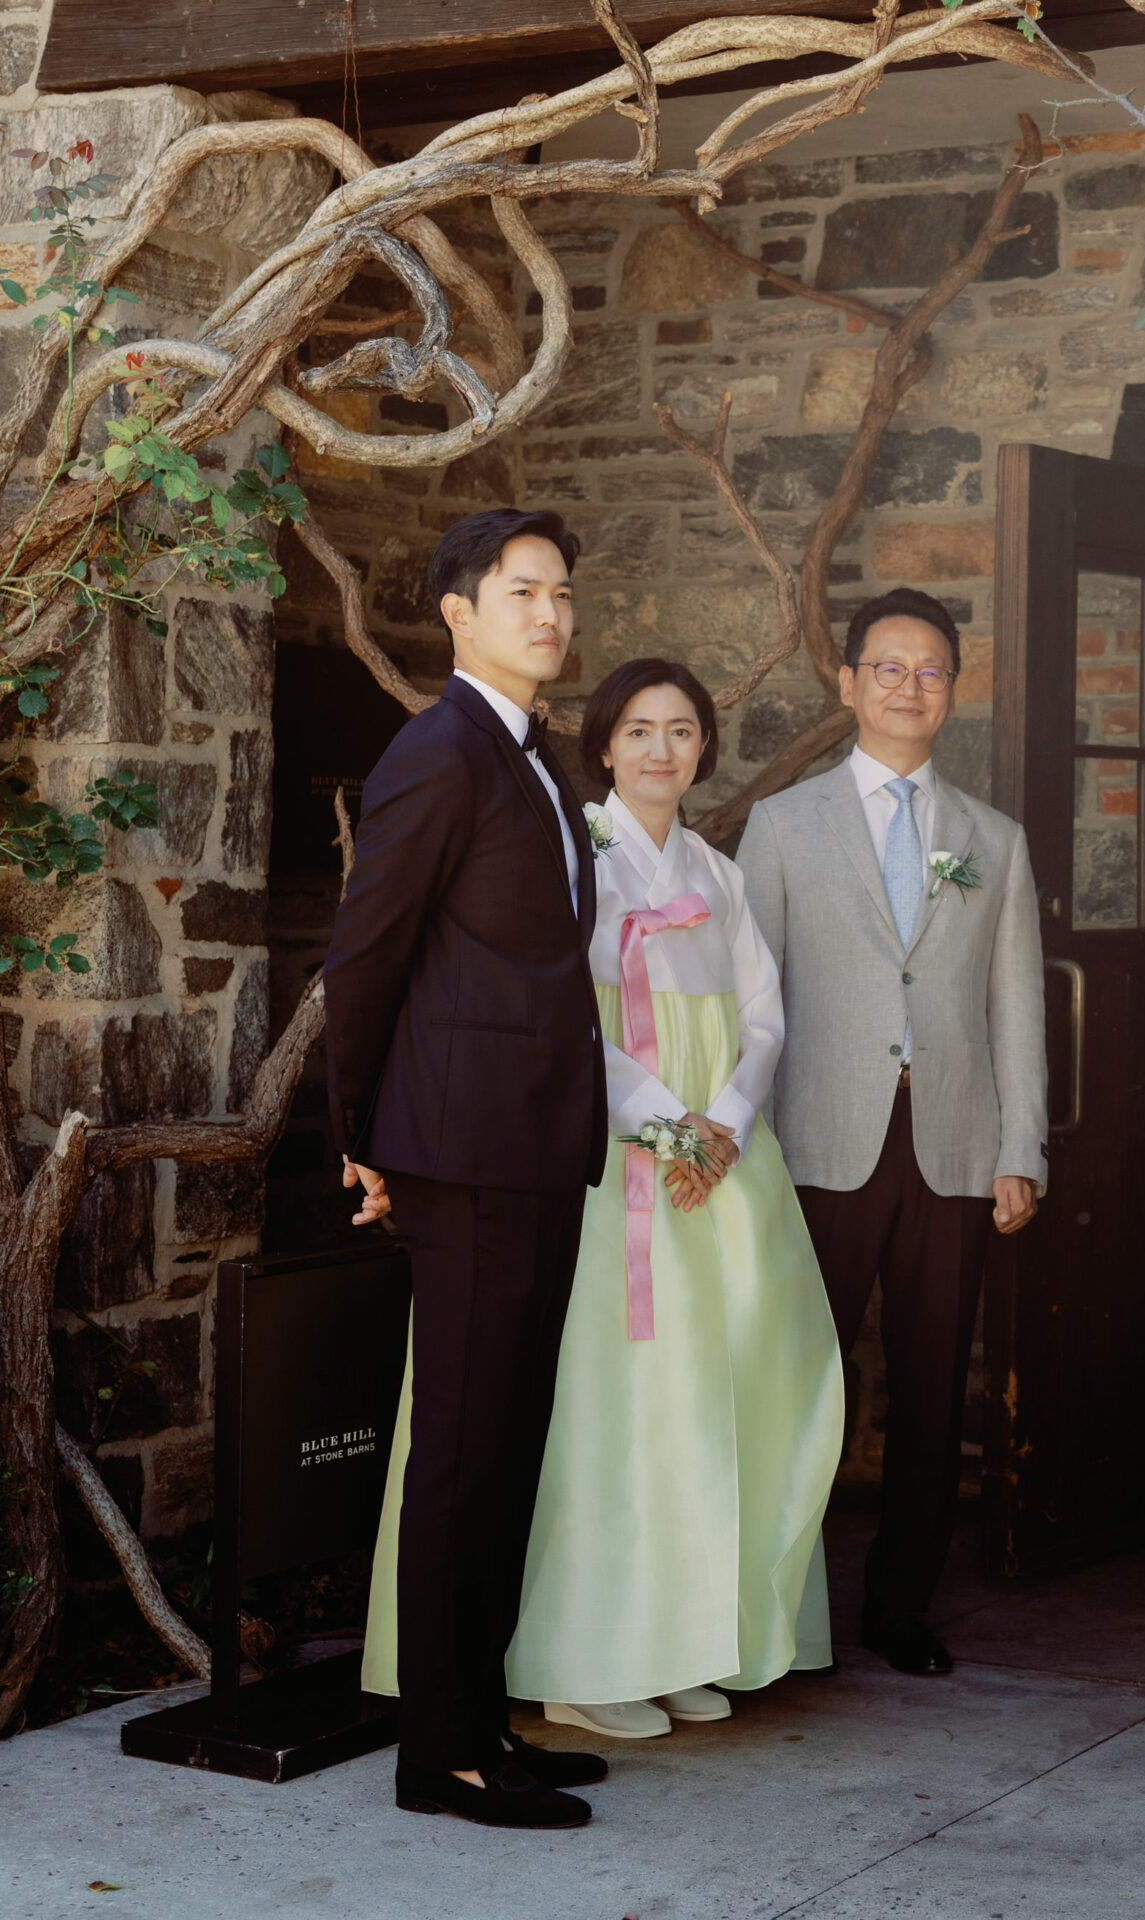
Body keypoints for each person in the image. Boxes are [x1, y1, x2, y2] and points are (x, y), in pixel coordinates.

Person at [362, 660, 847, 1742]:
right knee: (617, 1407)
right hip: (609, 1155)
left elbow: (762, 1014)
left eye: (682, 731)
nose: (662, 751)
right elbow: (563, 1025)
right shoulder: (572, 866)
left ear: (704, 749)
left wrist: (722, 1119)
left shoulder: (717, 874)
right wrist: (666, 1125)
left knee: (717, 1395)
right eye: (639, 731)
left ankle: (679, 1639)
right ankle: (589, 1654)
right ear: (605, 748)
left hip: (716, 1160)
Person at [326, 506, 608, 1831]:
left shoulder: (535, 761)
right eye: (521, 591)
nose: (549, 613)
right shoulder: (437, 754)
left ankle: (481, 1718)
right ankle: (437, 1754)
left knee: (508, 1445)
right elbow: (365, 956)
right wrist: (358, 1135)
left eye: (559, 592)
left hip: (539, 1147)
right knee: (458, 1453)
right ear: (457, 609)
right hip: (460, 1148)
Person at [738, 586, 1047, 1681]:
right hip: (817, 1141)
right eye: (888, 667)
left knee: (930, 1386)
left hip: (954, 1143)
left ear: (952, 691)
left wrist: (1024, 1147)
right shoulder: (781, 826)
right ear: (848, 681)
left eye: (930, 671)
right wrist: (745, 1140)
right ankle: (774, 1608)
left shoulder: (992, 842)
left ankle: (898, 1606)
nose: (908, 687)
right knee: (795, 1377)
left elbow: (1017, 1002)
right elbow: (752, 995)